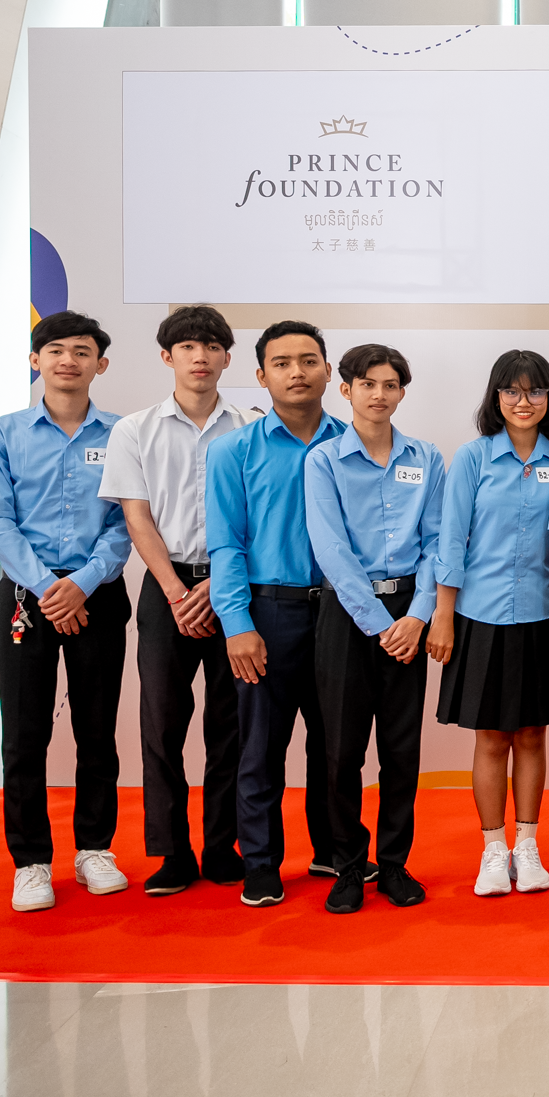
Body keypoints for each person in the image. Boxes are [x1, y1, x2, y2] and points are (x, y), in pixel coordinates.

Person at [98, 305, 256, 896]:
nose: (200, 356)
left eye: (212, 346)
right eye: (187, 346)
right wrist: (174, 590)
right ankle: (171, 852)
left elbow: (258, 516)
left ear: (226, 358)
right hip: (166, 586)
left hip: (234, 585)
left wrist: (218, 585)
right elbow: (136, 517)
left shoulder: (250, 426)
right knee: (161, 723)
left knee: (232, 723)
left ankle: (221, 845)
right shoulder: (134, 429)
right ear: (167, 357)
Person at [0, 312, 132, 912]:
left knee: (98, 729)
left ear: (102, 363)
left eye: (83, 351)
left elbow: (128, 520)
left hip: (99, 595)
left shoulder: (123, 435)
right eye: (56, 350)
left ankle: (95, 848)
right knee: (24, 733)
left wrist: (86, 582)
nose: (69, 360)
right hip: (26, 595)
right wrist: (49, 587)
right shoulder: (2, 434)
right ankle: (31, 862)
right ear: (35, 360)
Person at [206, 319, 345, 908]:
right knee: (261, 746)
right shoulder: (233, 450)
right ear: (260, 376)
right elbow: (225, 544)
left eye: (309, 360)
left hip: (340, 613)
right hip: (268, 611)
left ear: (328, 372)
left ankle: (333, 850)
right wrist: (237, 624)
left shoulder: (352, 443)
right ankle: (261, 863)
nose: (297, 372)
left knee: (335, 743)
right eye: (283, 363)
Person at [429, 350, 549, 898]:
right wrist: (443, 616)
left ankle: (529, 847)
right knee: (491, 737)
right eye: (511, 391)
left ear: (548, 399)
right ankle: (494, 849)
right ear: (495, 398)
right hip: (480, 616)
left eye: (534, 391)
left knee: (533, 734)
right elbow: (451, 540)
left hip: (541, 617)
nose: (522, 401)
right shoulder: (471, 459)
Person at [303, 344, 441, 914]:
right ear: (346, 390)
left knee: (401, 749)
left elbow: (438, 542)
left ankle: (393, 865)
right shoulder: (324, 460)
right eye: (367, 384)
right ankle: (347, 865)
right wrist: (381, 624)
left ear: (403, 392)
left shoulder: (426, 457)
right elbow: (330, 546)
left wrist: (418, 615)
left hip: (409, 610)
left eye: (390, 384)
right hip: (348, 615)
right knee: (341, 752)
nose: (378, 394)